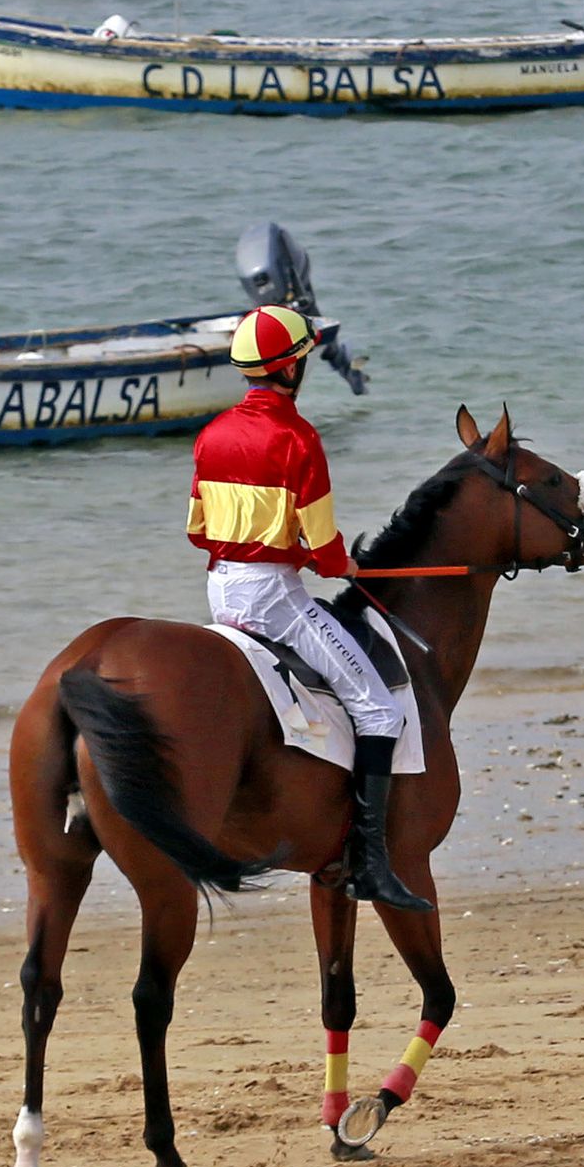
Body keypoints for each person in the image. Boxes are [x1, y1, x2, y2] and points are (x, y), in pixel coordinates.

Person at [187, 303, 431, 912]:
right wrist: (340, 564)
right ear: (292, 367)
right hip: (275, 597)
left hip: (220, 587)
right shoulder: (298, 438)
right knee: (378, 710)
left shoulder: (211, 434)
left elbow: (197, 529)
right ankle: (370, 865)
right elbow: (324, 552)